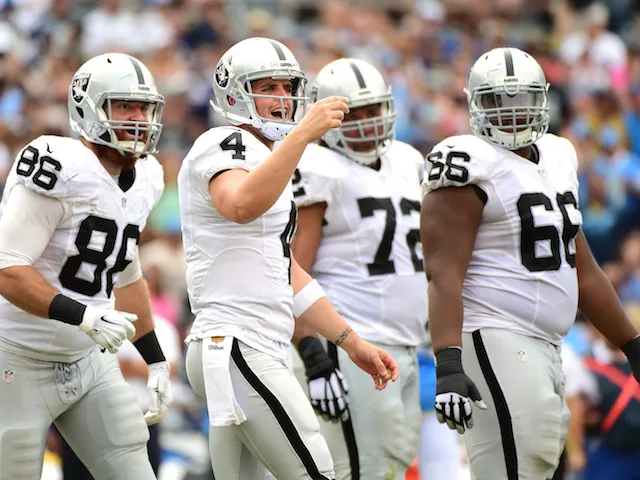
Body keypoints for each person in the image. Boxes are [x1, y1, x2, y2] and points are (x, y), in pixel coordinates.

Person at [178, 37, 399, 480]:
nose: (282, 98)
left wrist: (351, 342)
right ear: (234, 95)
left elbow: (287, 269)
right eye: (268, 87)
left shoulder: (267, 158)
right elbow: (240, 204)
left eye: (287, 87)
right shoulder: (223, 141)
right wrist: (300, 136)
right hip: (239, 343)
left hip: (246, 346)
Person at [420, 46, 640, 480]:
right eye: (496, 101)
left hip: (548, 343)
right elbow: (443, 273)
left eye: (521, 98)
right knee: (519, 464)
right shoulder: (467, 161)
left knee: (541, 462)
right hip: (495, 333)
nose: (511, 111)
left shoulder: (558, 156)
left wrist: (631, 344)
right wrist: (448, 360)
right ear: (474, 104)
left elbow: (581, 267)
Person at [0, 52, 173, 479]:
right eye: (124, 106)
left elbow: (125, 273)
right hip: (15, 356)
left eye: (144, 108)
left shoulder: (148, 176)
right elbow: (6, 267)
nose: (139, 119)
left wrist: (154, 359)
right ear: (88, 109)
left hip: (86, 359)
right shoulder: (59, 165)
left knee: (134, 469)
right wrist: (85, 316)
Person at [290, 57, 425, 479]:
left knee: (393, 465)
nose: (367, 123)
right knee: (364, 470)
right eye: (355, 113)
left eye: (374, 110)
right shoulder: (317, 166)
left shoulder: (408, 160)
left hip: (405, 343)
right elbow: (289, 271)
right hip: (351, 343)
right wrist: (312, 355)